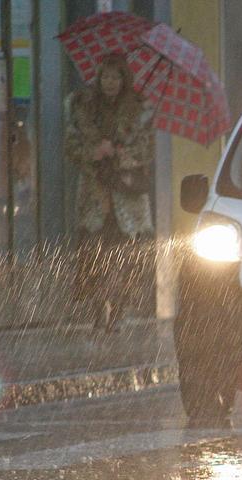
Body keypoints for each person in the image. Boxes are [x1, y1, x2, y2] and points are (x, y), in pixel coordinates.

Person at [64, 52, 154, 332]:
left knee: (124, 258)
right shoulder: (83, 108)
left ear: (124, 79)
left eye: (115, 77)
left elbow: (147, 150)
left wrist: (123, 154)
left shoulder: (139, 110)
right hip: (95, 196)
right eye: (105, 76)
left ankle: (118, 310)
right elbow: (70, 146)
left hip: (126, 197)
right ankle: (97, 310)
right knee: (94, 255)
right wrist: (94, 152)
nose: (110, 82)